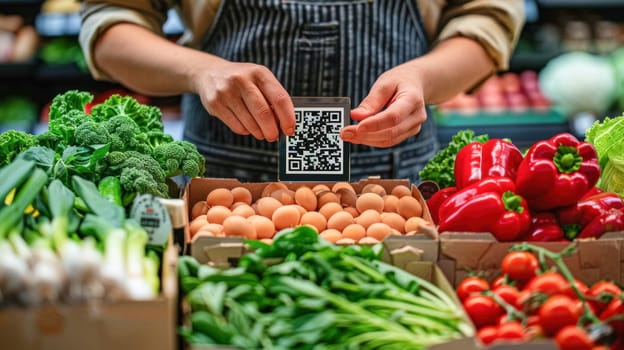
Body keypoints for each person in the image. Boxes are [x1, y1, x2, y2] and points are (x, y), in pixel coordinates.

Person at [79, 1, 525, 183]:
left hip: (395, 181)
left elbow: (486, 18)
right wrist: (201, 70)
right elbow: (111, 23)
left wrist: (423, 78)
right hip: (221, 181)